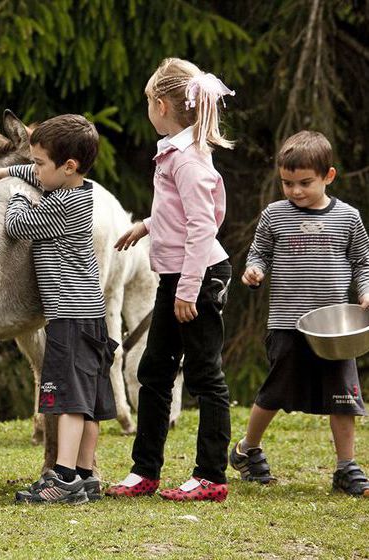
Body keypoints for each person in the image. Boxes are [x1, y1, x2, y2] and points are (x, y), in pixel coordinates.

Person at [106, 58, 235, 502]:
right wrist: (146, 225)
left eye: (147, 103)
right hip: (177, 276)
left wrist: (188, 290)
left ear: (160, 105)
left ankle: (211, 477)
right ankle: (145, 471)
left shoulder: (189, 160)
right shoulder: (175, 152)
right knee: (155, 371)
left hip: (195, 279)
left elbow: (204, 227)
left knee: (205, 375)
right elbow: (179, 214)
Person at [230, 130, 369, 496]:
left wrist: (366, 291)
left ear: (329, 176)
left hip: (335, 327)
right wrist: (254, 271)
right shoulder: (274, 216)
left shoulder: (348, 217)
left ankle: (346, 467)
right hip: (287, 323)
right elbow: (258, 253)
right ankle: (247, 449)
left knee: (344, 396)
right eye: (287, 183)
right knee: (274, 392)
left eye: (305, 183)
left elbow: (363, 263)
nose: (294, 191)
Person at [0, 114, 117, 504]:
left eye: (41, 164)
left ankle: (62, 477)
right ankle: (84, 474)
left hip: (69, 317)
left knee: (68, 399)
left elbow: (16, 225)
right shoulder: (81, 190)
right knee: (91, 398)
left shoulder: (61, 205)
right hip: (89, 315)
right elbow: (41, 171)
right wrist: (18, 170)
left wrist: (12, 191)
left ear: (69, 167)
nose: (35, 170)